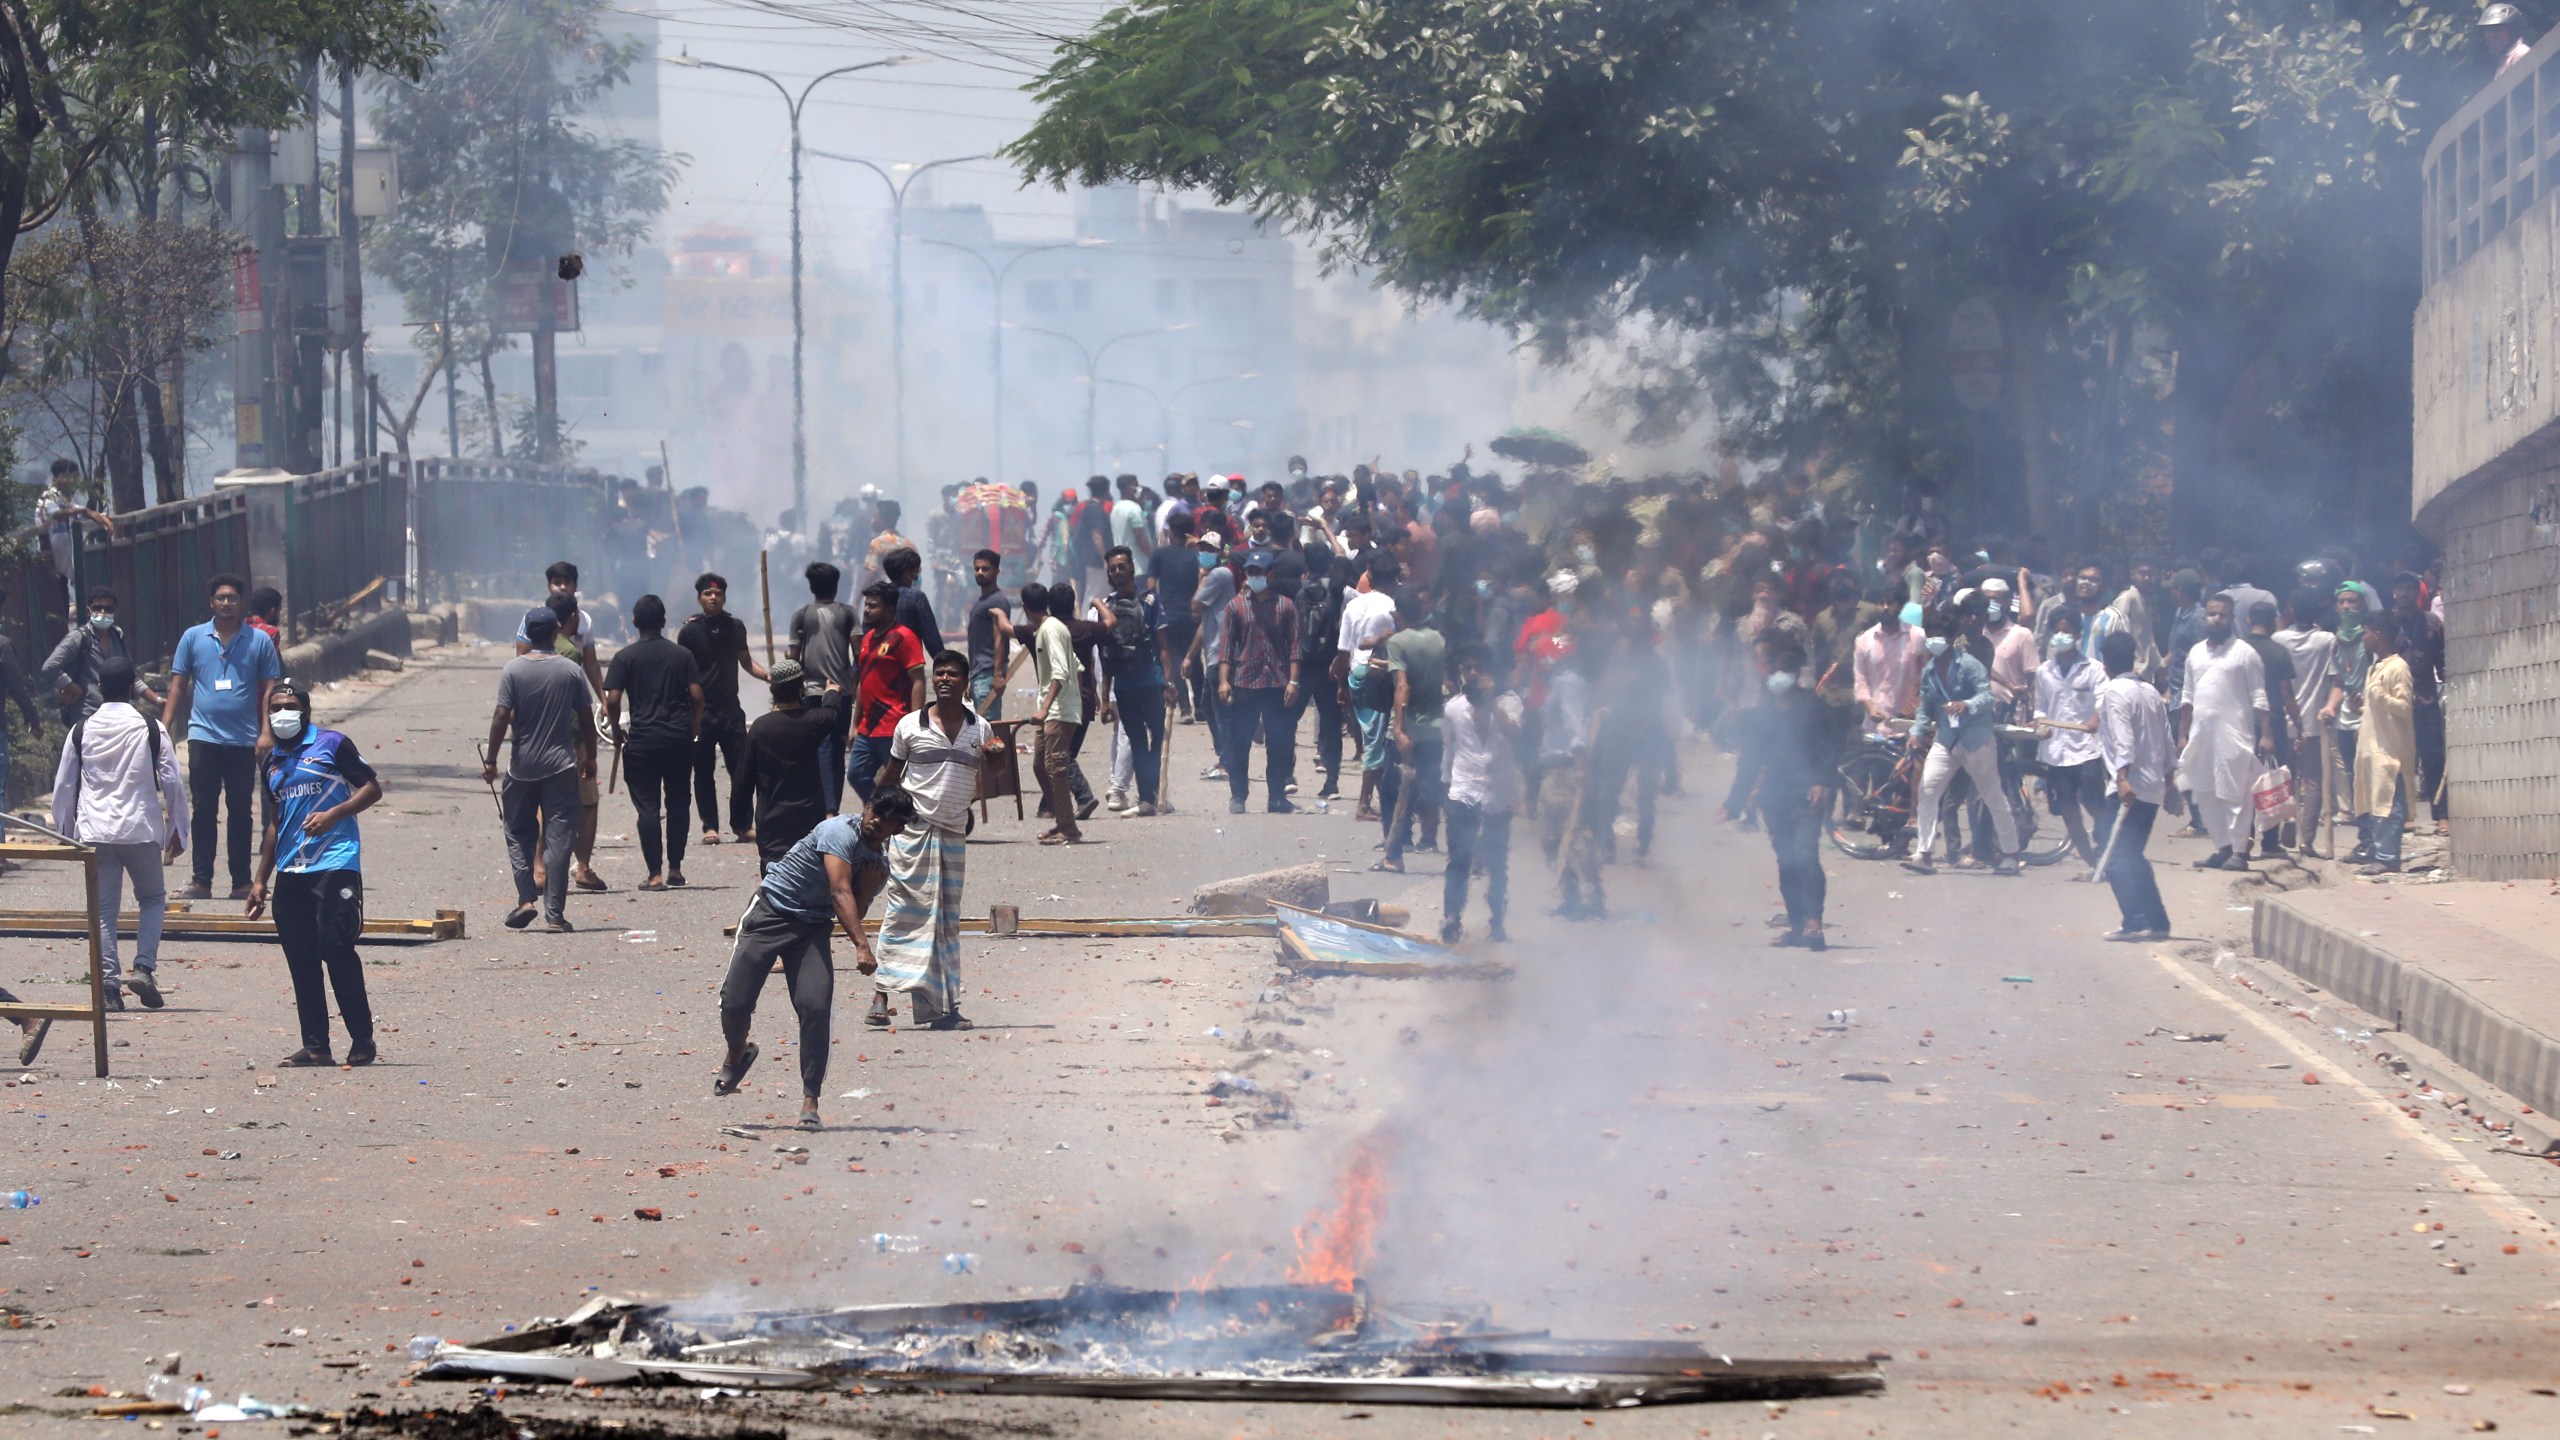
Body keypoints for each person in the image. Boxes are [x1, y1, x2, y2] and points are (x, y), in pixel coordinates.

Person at [717, 789, 908, 1131]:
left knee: (815, 1007)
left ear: (899, 829)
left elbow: (855, 906)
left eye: (888, 821)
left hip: (812, 927)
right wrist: (862, 947)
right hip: (771, 912)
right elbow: (838, 891)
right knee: (735, 1002)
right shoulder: (838, 831)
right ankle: (738, 1052)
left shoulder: (878, 865)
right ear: (868, 807)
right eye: (876, 811)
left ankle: (810, 1101)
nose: (877, 821)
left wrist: (865, 888)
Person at [245, 684, 383, 1066]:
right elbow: (276, 822)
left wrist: (334, 814)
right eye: (275, 707)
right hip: (291, 870)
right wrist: (260, 879)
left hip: (336, 863)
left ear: (305, 711)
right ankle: (316, 1045)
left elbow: (372, 789)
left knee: (336, 946)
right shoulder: (271, 761)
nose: (282, 713)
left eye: (290, 706)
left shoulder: (332, 744)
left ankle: (362, 1039)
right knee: (301, 957)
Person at [49, 658, 185, 1011]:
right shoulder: (150, 728)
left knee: (104, 910)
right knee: (153, 899)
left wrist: (65, 832)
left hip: (96, 832)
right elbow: (172, 782)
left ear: (98, 686)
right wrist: (178, 830)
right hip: (140, 830)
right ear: (131, 687)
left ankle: (109, 989)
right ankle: (143, 968)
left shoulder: (81, 730)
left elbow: (64, 785)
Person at [870, 651, 988, 1029]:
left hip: (953, 833)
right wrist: (871, 819)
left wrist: (998, 756)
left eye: (953, 674)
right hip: (912, 832)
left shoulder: (980, 729)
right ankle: (880, 996)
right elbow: (888, 776)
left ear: (965, 682)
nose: (945, 679)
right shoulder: (909, 726)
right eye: (940, 674)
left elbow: (998, 769)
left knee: (944, 920)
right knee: (904, 909)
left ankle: (944, 1007)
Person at [164, 573, 283, 901]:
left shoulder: (257, 641)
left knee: (241, 810)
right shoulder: (193, 637)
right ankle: (201, 880)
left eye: (232, 598)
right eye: (221, 598)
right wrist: (165, 728)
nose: (226, 603)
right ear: (211, 602)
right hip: (203, 736)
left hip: (243, 739)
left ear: (241, 602)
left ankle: (242, 881)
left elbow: (270, 688)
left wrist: (266, 732)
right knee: (203, 809)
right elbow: (178, 684)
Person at [486, 607, 596, 933]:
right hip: (562, 765)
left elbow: (501, 715)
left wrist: (491, 760)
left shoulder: (512, 670)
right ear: (555, 632)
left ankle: (525, 899)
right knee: (559, 839)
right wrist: (590, 757)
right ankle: (555, 915)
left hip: (520, 768)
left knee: (518, 833)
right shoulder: (570, 670)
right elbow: (587, 718)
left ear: (527, 633)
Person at [1728, 633, 1832, 949]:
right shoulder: (1762, 714)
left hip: (1806, 794)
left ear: (1796, 673)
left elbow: (1830, 749)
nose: (1778, 675)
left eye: (1785, 669)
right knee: (1786, 862)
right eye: (1774, 669)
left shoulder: (1814, 706)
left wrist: (1821, 781)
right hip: (1775, 797)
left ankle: (1814, 922)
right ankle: (1797, 926)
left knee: (1806, 856)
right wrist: (1733, 802)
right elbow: (1750, 759)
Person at [1902, 615, 2022, 876]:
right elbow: (1925, 707)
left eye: (1940, 636)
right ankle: (1924, 853)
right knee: (1928, 789)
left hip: (1975, 740)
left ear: (1951, 640)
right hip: (1946, 739)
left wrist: (1966, 705)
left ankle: (2010, 853)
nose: (1934, 641)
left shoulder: (1970, 666)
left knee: (1992, 795)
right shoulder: (1930, 670)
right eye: (1931, 636)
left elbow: (1986, 696)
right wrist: (1916, 731)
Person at [603, 594, 705, 891]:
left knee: (648, 808)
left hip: (643, 740)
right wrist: (694, 726)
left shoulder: (625, 657)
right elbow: (697, 696)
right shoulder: (681, 656)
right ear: (663, 622)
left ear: (634, 622)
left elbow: (612, 698)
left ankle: (654, 874)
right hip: (678, 739)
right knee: (678, 803)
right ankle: (675, 868)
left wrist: (615, 728)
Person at [2175, 594, 2273, 872]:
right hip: (2200, 736)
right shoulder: (2195, 653)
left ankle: (2240, 853)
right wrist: (2182, 735)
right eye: (2212, 614)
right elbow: (2187, 696)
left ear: (2233, 619)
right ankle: (2223, 848)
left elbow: (2259, 696)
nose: (2217, 619)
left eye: (2223, 615)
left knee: (2236, 795)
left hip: (2235, 736)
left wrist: (2266, 734)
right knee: (2206, 794)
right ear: (2204, 617)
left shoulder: (2245, 653)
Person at [2093, 630, 2174, 940]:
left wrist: (2123, 778)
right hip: (2152, 787)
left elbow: (2123, 738)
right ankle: (2158, 921)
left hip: (2130, 786)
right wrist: (2170, 779)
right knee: (2133, 854)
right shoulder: (2150, 691)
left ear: (2106, 662)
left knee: (2113, 853)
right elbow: (2166, 738)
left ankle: (2135, 920)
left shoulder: (2114, 692)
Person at [677, 573, 767, 849]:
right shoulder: (689, 632)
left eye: (717, 594)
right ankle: (710, 826)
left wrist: (769, 676)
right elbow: (682, 670)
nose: (713, 597)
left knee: (740, 771)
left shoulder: (735, 627)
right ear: (699, 598)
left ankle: (742, 825)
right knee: (703, 771)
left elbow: (746, 661)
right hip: (701, 713)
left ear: (724, 597)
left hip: (730, 710)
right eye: (707, 594)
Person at [1439, 643, 1521, 944]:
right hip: (1463, 791)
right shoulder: (1454, 708)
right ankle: (1451, 918)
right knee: (1458, 858)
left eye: (1479, 668)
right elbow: (1449, 750)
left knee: (1497, 862)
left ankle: (1497, 922)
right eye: (1468, 668)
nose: (1473, 674)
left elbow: (1514, 733)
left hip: (1498, 794)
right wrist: (1446, 788)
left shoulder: (1510, 703)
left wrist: (1491, 705)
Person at [1218, 549, 1301, 815]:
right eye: (1250, 572)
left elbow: (1295, 648)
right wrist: (1223, 681)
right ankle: (1238, 795)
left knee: (1279, 745)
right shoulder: (1235, 607)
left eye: (1259, 572)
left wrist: (1294, 682)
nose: (1254, 576)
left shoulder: (1286, 606)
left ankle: (1276, 797)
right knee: (1239, 743)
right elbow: (1226, 648)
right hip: (1245, 683)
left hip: (1277, 684)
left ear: (1270, 574)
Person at [741, 660, 846, 869]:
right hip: (808, 824)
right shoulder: (812, 722)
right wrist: (832, 692)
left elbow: (743, 780)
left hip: (772, 828)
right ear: (801, 689)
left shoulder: (760, 728)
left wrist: (738, 820)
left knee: (774, 886)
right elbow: (831, 713)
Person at [1096, 545, 1170, 816]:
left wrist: (1169, 684)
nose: (1118, 572)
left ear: (1131, 569)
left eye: (1121, 566)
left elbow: (1163, 646)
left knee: (1158, 738)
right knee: (1139, 742)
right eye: (1113, 568)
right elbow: (1105, 657)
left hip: (1151, 682)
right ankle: (1148, 798)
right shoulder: (1107, 608)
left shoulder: (1150, 601)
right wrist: (1104, 699)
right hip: (1124, 687)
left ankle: (1151, 794)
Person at [1537, 637, 1606, 919]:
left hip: (1565, 769)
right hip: (1554, 765)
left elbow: (1577, 725)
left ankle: (1590, 896)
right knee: (1552, 836)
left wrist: (1580, 765)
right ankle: (1573, 895)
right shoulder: (1561, 679)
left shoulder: (1567, 682)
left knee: (1570, 835)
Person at [1376, 591, 1445, 867]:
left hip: (1411, 726)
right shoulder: (1438, 639)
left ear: (1398, 614)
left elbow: (1402, 686)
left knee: (1391, 788)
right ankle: (1434, 840)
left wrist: (1400, 730)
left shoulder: (1398, 642)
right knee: (1432, 785)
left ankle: (1394, 852)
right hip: (1437, 727)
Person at [787, 560, 860, 814]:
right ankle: (830, 807)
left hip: (811, 693)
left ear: (811, 586)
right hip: (840, 693)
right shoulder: (848, 613)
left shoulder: (801, 615)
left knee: (821, 748)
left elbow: (793, 659)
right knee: (834, 748)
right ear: (837, 586)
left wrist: (789, 691)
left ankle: (826, 807)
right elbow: (859, 655)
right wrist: (853, 686)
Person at [2272, 588, 2339, 858]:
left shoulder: (2278, 639)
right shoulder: (2326, 640)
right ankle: (2307, 841)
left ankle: (2287, 818)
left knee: (2285, 777)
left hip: (2284, 719)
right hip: (2314, 719)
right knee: (2312, 781)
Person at [2030, 627, 2107, 864]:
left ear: (2077, 636)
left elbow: (2104, 699)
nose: (2061, 635)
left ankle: (2107, 846)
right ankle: (2089, 858)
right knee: (2067, 807)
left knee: (2094, 803)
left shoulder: (2093, 668)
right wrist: (2040, 724)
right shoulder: (2044, 671)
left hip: (2087, 748)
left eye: (2067, 630)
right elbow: (2040, 707)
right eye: (2058, 630)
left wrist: (2095, 718)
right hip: (2056, 752)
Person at [849, 580, 929, 806]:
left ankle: (909, 824)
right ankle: (884, 812)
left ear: (889, 609)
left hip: (895, 725)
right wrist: (855, 725)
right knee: (856, 775)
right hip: (868, 728)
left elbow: (918, 681)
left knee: (902, 780)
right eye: (866, 605)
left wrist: (915, 723)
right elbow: (863, 683)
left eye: (873, 606)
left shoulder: (904, 637)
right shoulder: (867, 639)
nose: (866, 610)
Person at [2353, 611, 2419, 876]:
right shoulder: (2375, 667)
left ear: (2378, 634)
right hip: (2371, 747)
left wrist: (2378, 696)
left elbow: (2404, 707)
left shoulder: (2398, 668)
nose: (2363, 639)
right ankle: (2378, 852)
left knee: (2389, 803)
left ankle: (2389, 858)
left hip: (2389, 750)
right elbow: (2376, 705)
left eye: (2365, 633)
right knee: (2374, 801)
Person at [1022, 582, 1085, 845]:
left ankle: (1069, 830)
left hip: (1057, 711)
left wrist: (1048, 707)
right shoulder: (1050, 629)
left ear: (1025, 608)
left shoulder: (1050, 630)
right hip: (1055, 710)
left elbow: (1062, 671)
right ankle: (1062, 821)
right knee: (1040, 765)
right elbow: (1077, 666)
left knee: (1056, 768)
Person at [2240, 599, 2303, 861]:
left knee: (2244, 782)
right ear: (2274, 622)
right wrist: (2299, 726)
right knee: (2273, 779)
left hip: (2242, 723)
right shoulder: (2278, 652)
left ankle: (2243, 839)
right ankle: (2269, 841)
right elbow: (2286, 694)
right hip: (2273, 723)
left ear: (2247, 621)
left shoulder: (2238, 650)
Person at [43, 587, 155, 725]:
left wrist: (157, 700)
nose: (103, 612)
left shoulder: (117, 637)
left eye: (108, 609)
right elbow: (50, 667)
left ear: (115, 612)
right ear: (89, 610)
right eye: (98, 608)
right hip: (88, 716)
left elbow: (130, 676)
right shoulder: (79, 638)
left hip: (120, 718)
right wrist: (73, 688)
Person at [36, 458, 112, 615]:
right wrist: (83, 511)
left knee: (64, 605)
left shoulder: (64, 498)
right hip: (49, 563)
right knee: (57, 610)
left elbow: (78, 509)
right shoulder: (47, 498)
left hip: (62, 566)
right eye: (69, 477)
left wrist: (97, 516)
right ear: (58, 476)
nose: (72, 481)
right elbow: (56, 514)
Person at [1853, 596, 1927, 737]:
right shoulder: (1864, 640)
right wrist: (1870, 708)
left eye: (1890, 603)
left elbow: (1925, 675)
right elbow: (1860, 680)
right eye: (1881, 603)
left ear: (1900, 606)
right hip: (1875, 723)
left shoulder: (1917, 635)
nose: (1885, 607)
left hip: (1907, 723)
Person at [963, 549, 1013, 719]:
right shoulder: (981, 602)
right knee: (983, 725)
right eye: (977, 569)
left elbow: (1000, 638)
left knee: (989, 726)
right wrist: (971, 678)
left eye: (985, 569)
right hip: (979, 673)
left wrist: (998, 675)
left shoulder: (997, 601)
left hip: (988, 672)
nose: (980, 573)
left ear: (996, 571)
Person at [882, 545, 947, 661]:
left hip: (882, 661)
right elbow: (931, 638)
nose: (917, 575)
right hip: (909, 662)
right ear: (907, 573)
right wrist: (944, 663)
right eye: (916, 571)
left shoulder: (878, 596)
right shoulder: (916, 597)